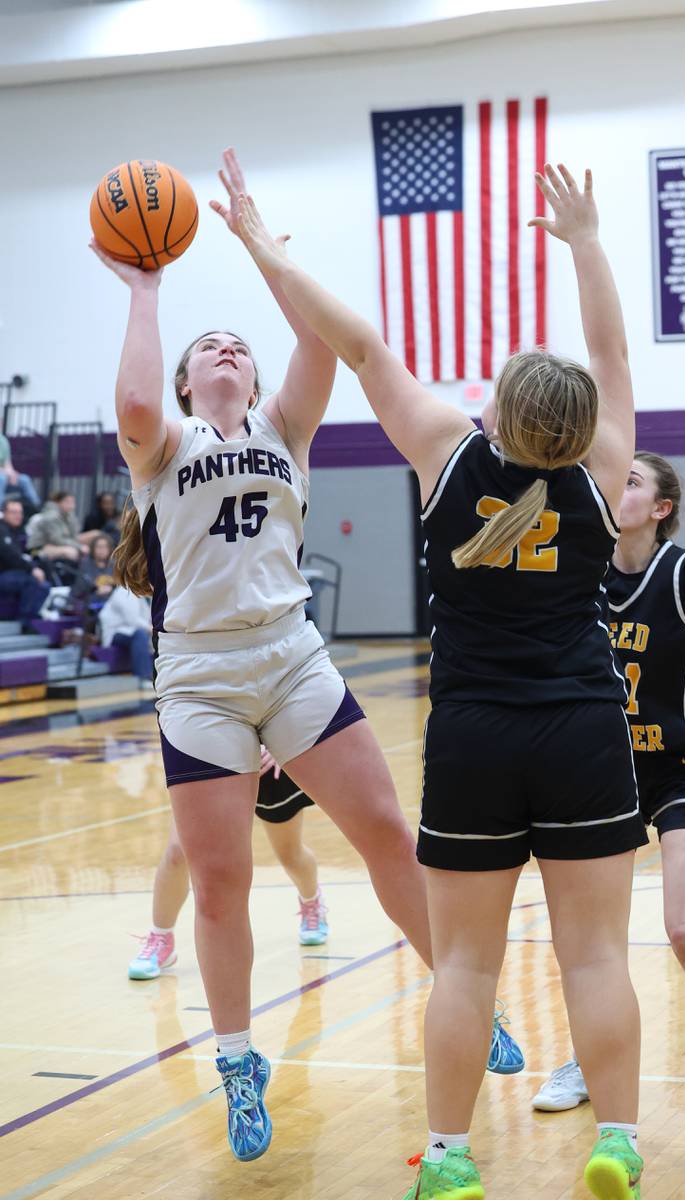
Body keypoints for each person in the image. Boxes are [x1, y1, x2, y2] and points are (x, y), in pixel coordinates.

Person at [92, 147, 521, 1166]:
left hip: (290, 657)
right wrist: (149, 293)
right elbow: (137, 408)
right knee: (222, 879)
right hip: (198, 675)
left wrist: (263, 247)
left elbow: (322, 343)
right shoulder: (166, 449)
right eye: (217, 349)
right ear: (196, 377)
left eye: (242, 344)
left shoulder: (287, 425)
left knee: (385, 831)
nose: (233, 353)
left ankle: (460, 997)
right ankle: (239, 1060)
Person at [233, 163, 649, 1199]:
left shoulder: (445, 455)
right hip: (583, 730)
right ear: (575, 423)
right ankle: (620, 1142)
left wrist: (265, 248)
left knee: (464, 965)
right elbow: (607, 351)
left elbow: (360, 343)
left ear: (498, 411)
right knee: (594, 958)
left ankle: (452, 1159)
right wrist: (586, 242)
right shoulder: (602, 473)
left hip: (471, 736)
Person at [531, 452, 685, 1175]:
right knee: (589, 947)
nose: (617, 486)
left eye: (631, 481)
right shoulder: (580, 568)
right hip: (602, 769)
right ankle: (590, 1059)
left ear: (661, 505)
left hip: (682, 767)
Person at [129, 750, 328, 980]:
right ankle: (161, 937)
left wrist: (281, 743)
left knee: (290, 854)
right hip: (210, 748)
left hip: (266, 760)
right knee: (177, 852)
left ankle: (311, 901)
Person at [0, 497, 50, 629]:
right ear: (4, 513)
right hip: (3, 574)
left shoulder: (16, 531)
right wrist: (32, 569)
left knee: (44, 585)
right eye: (14, 512)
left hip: (11, 573)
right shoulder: (1, 529)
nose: (18, 516)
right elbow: (10, 555)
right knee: (32, 580)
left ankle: (31, 617)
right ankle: (25, 621)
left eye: (20, 512)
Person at [25, 491, 92, 583]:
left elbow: (74, 535)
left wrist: (71, 519)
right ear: (58, 503)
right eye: (67, 502)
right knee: (72, 552)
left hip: (55, 545)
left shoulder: (67, 515)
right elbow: (57, 539)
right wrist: (79, 546)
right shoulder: (51, 516)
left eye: (72, 502)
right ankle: (72, 580)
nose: (71, 505)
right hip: (36, 549)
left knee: (95, 539)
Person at [98, 584, 153, 684]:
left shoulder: (146, 591)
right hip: (115, 632)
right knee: (140, 635)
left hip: (131, 630)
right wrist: (152, 629)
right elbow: (132, 620)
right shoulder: (124, 591)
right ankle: (143, 679)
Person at [0, 431, 40, 512]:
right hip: (2, 474)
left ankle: (36, 508)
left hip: (4, 472)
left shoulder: (3, 440)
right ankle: (1, 508)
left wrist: (12, 474)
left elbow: (7, 463)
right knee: (2, 479)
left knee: (24, 479)